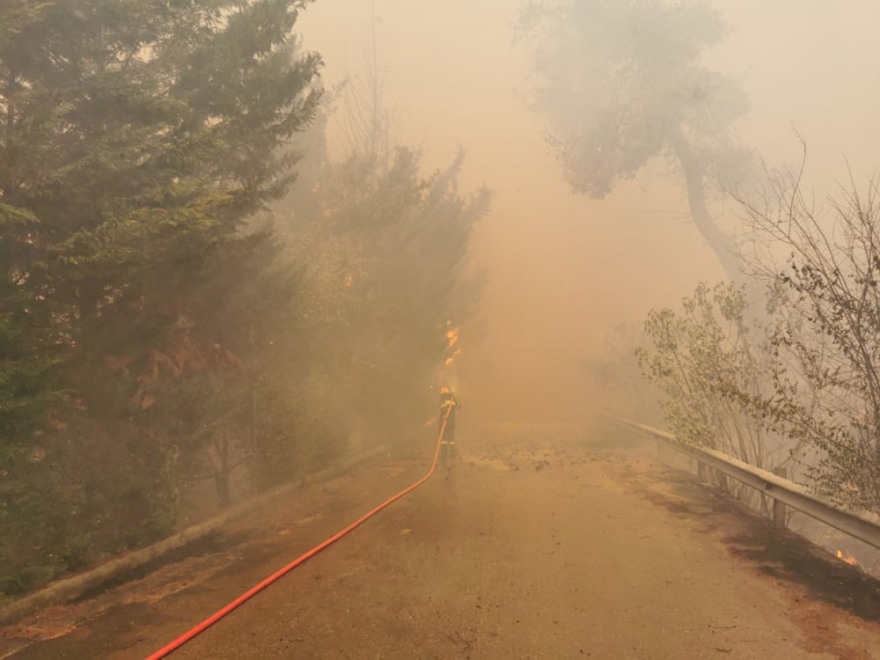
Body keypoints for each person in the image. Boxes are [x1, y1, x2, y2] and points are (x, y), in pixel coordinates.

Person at [438, 387, 459, 462]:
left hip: (445, 421)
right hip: (452, 421)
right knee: (451, 437)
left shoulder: (442, 398)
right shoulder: (452, 398)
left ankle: (444, 455)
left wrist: (444, 415)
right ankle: (452, 454)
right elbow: (459, 406)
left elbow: (442, 407)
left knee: (444, 437)